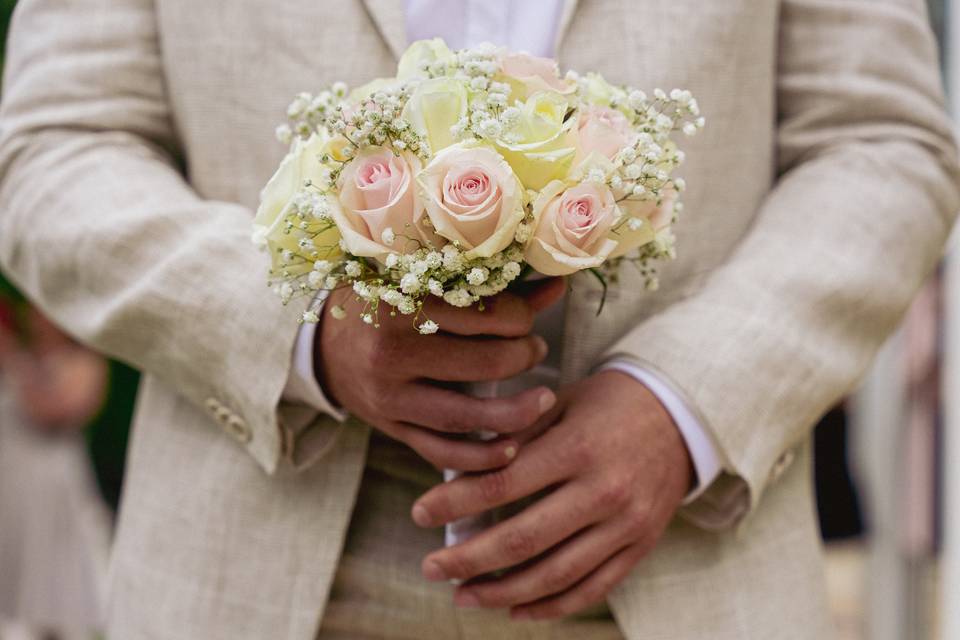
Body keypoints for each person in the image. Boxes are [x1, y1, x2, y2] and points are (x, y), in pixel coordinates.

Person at [0, 0, 956, 638]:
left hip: (687, 575)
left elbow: (879, 142)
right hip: (256, 576)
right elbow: (51, 150)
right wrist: (304, 328)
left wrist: (687, 400)